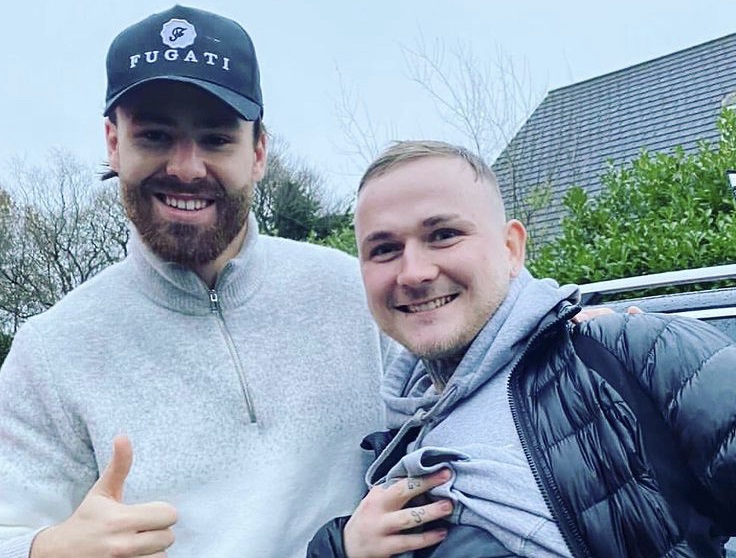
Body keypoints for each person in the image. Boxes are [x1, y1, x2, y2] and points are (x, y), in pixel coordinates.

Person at [0, 6, 395, 557]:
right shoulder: (50, 350)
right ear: (113, 143)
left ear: (258, 152)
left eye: (215, 139)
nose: (186, 167)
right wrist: (46, 549)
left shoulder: (357, 294)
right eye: (155, 136)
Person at [308, 140, 736, 558]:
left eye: (443, 235)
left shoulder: (632, 354)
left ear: (511, 248)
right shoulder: (395, 441)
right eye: (384, 249)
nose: (414, 273)